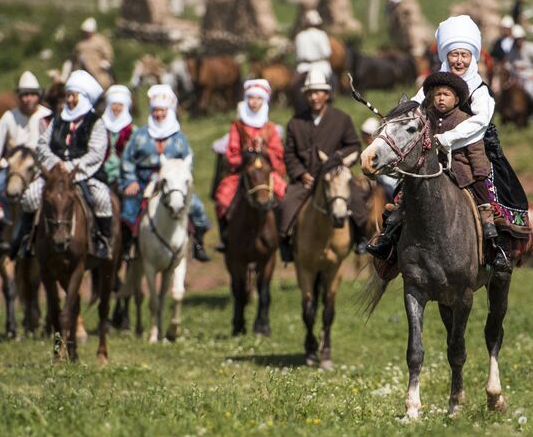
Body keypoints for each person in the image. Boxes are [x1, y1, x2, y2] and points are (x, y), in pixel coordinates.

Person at [361, 14, 514, 273]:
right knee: (404, 189)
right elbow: (413, 107)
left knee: (482, 187)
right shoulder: (432, 85)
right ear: (445, 54)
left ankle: (495, 243)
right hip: (430, 150)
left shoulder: (479, 89)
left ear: (473, 56)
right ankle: (390, 238)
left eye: (465, 55)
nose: (459, 60)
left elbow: (480, 121)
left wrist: (446, 139)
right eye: (454, 54)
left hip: (469, 149)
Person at [18, 69, 114, 260]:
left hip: (83, 174)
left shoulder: (96, 123)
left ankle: (103, 240)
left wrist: (71, 167)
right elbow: (43, 144)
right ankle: (28, 238)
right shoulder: (58, 120)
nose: (69, 100)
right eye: (68, 95)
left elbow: (96, 152)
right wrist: (56, 164)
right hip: (54, 174)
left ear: (84, 97)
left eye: (73, 96)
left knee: (102, 197)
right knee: (30, 195)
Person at [279, 69, 370, 263]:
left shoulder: (341, 118)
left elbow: (353, 145)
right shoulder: (295, 122)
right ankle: (286, 243)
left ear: (327, 94)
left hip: (336, 176)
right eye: (310, 93)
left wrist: (338, 157)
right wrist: (301, 174)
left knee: (357, 199)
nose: (314, 97)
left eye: (318, 92)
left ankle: (362, 239)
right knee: (287, 204)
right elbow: (289, 154)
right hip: (306, 179)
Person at [119, 84, 211, 263]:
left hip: (171, 184)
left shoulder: (178, 137)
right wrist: (131, 180)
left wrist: (179, 180)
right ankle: (127, 246)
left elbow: (187, 161)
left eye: (162, 110)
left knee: (197, 207)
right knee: (129, 209)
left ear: (169, 111)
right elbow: (128, 160)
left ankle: (198, 244)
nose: (158, 114)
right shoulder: (140, 135)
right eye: (155, 111)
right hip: (143, 181)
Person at [420, 70, 504, 263]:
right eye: (437, 94)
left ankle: (488, 226)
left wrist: (480, 171)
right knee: (405, 192)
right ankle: (391, 231)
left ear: (456, 99)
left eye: (446, 95)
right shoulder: (425, 120)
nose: (441, 99)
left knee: (480, 191)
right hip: (429, 171)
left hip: (460, 171)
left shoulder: (465, 119)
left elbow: (475, 149)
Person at [0, 71, 51, 254]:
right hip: (12, 166)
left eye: (32, 94)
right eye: (24, 95)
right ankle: (3, 225)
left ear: (38, 96)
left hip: (39, 167)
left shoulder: (47, 117)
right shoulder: (10, 116)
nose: (28, 99)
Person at [213, 78, 287, 248]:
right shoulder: (237, 126)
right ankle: (224, 235)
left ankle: (283, 235)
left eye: (258, 98)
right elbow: (232, 151)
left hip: (267, 174)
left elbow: (278, 152)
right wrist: (245, 156)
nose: (254, 102)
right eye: (251, 98)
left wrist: (265, 151)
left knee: (284, 194)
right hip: (243, 172)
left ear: (264, 100)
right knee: (223, 196)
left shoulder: (270, 128)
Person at [65, 17, 114, 91]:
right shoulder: (80, 45)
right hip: (84, 73)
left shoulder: (100, 41)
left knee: (103, 87)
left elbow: (108, 54)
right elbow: (74, 59)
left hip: (99, 73)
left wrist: (105, 63)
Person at [294, 9, 332, 90]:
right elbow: (327, 53)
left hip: (303, 67)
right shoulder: (321, 34)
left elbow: (298, 56)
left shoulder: (300, 36)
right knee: (333, 81)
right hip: (321, 66)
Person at [508, 25, 533, 104]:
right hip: (515, 76)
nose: (518, 41)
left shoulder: (531, 47)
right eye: (516, 39)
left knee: (531, 92)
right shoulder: (512, 49)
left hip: (529, 75)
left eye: (519, 39)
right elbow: (509, 63)